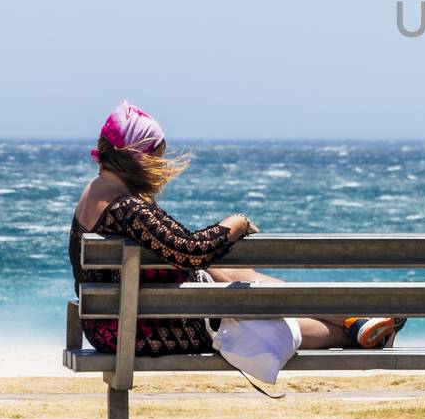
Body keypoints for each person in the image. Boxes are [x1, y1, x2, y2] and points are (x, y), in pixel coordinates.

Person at [69, 101, 404, 357]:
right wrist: (237, 223)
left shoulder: (94, 193)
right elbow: (188, 249)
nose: (162, 164)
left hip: (112, 324)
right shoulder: (127, 207)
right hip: (140, 329)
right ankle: (354, 326)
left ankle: (358, 321)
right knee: (248, 312)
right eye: (158, 155)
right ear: (138, 156)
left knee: (230, 273)